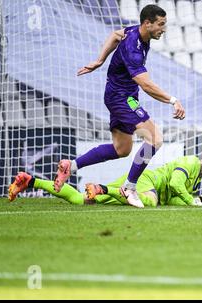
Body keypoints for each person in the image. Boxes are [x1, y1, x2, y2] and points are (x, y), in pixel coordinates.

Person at [54, 4, 185, 208]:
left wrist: (100, 60)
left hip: (124, 96)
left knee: (122, 148)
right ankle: (129, 188)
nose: (164, 29)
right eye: (160, 24)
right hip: (121, 97)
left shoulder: (135, 31)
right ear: (147, 23)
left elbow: (116, 34)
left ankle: (70, 166)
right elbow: (146, 84)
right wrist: (172, 100)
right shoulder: (133, 48)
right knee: (155, 138)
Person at [9, 147, 202, 207]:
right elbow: (174, 183)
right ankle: (103, 188)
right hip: (146, 180)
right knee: (149, 202)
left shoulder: (198, 178)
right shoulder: (189, 163)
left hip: (142, 184)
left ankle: (31, 181)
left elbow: (174, 198)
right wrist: (193, 202)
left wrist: (195, 200)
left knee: (82, 200)